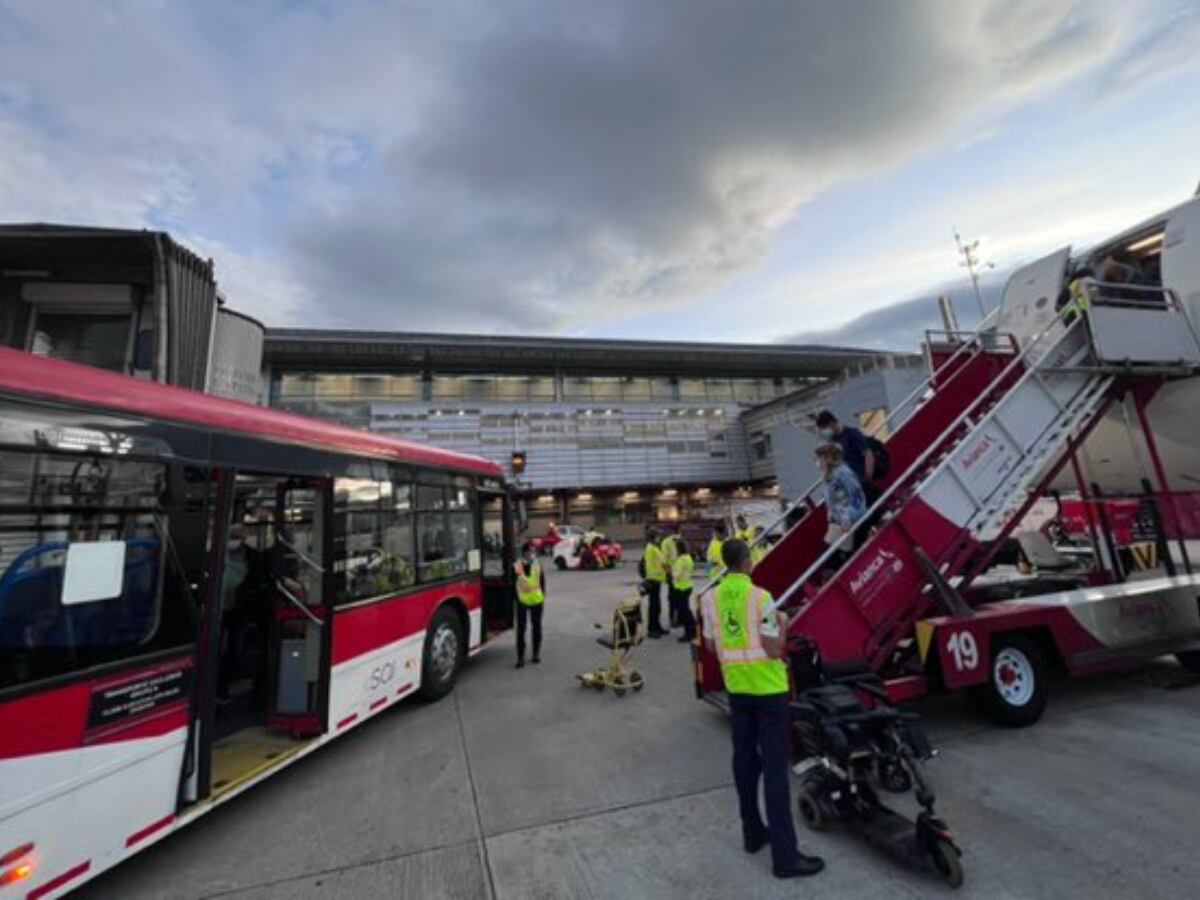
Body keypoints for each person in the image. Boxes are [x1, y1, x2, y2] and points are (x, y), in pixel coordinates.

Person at [702, 538, 825, 879]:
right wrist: (783, 623)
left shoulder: (709, 598)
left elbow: (711, 645)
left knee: (744, 763)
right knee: (774, 771)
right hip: (769, 693)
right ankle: (786, 858)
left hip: (737, 690)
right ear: (747, 562)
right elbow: (773, 649)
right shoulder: (761, 598)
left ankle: (753, 833)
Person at [814, 410, 885, 505]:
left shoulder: (851, 434)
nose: (824, 432)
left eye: (824, 428)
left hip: (862, 479)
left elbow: (868, 454)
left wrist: (868, 477)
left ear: (831, 423)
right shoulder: (833, 441)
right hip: (851, 484)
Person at [816, 443, 867, 557]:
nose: (818, 462)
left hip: (847, 523)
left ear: (828, 459)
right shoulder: (829, 476)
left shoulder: (842, 474)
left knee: (828, 559)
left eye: (820, 459)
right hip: (837, 524)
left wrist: (847, 517)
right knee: (828, 559)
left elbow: (858, 497)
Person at [514, 542, 546, 668]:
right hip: (522, 601)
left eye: (532, 551)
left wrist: (542, 597)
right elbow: (514, 583)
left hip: (537, 601)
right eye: (529, 551)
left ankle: (535, 654)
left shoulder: (537, 564)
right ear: (524, 552)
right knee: (521, 630)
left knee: (537, 628)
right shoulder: (518, 565)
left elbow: (542, 582)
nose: (531, 553)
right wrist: (515, 599)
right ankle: (520, 657)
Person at [642, 531, 668, 637]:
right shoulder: (651, 548)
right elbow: (661, 562)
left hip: (656, 580)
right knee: (654, 607)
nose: (659, 538)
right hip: (653, 580)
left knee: (656, 606)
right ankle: (652, 629)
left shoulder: (653, 547)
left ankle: (657, 627)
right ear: (654, 537)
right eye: (658, 536)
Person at [671, 536, 696, 642]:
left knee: (684, 612)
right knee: (686, 610)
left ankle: (689, 633)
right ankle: (692, 630)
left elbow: (676, 575)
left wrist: (671, 571)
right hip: (687, 586)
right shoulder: (688, 557)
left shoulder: (681, 560)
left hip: (681, 588)